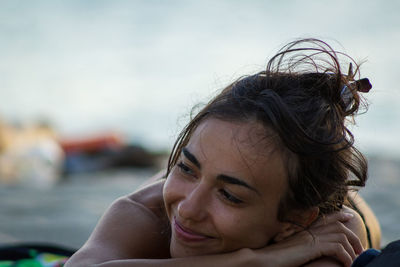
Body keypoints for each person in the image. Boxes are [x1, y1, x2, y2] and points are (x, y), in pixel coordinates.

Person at [65, 38, 381, 267]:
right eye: (187, 168)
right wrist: (254, 260)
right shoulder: (145, 211)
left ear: (294, 223)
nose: (188, 209)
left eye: (229, 194)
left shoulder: (328, 235)